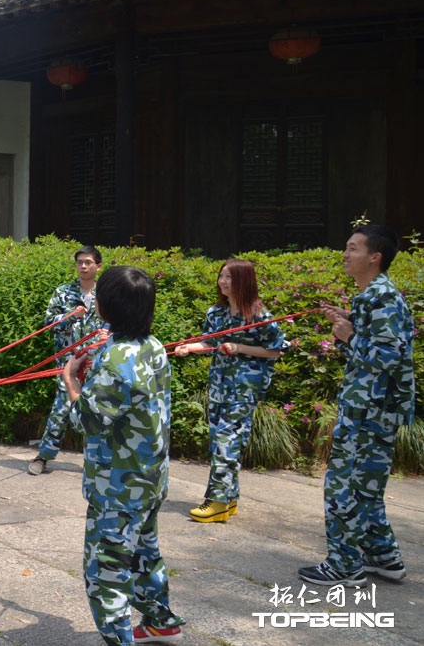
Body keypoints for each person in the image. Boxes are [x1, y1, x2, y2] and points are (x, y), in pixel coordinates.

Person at [62, 265, 185, 645]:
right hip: (149, 478)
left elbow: (87, 420)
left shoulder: (115, 360)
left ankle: (119, 638)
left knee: (106, 571)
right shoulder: (154, 347)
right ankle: (160, 620)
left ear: (105, 307)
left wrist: (70, 380)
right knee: (145, 553)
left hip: (118, 486)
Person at [298, 224, 415, 587]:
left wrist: (349, 335)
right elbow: (374, 351)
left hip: (369, 411)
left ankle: (344, 566)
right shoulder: (374, 296)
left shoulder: (380, 297)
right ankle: (384, 557)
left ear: (374, 257)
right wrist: (349, 328)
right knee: (366, 488)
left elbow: (390, 356)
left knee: (342, 487)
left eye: (352, 248)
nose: (345, 254)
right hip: (374, 409)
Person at [174, 259, 285, 523]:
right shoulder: (216, 313)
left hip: (244, 389)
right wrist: (188, 348)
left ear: (244, 281)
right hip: (219, 386)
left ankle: (217, 501)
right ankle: (230, 498)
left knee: (227, 441)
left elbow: (275, 350)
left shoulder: (259, 316)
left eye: (230, 278)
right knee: (220, 442)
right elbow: (210, 342)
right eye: (222, 276)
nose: (224, 282)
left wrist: (239, 348)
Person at [29, 246, 106, 476]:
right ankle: (44, 456)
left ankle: (95, 461)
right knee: (61, 408)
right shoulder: (63, 292)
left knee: (96, 409)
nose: (83, 266)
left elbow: (115, 321)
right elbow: (48, 322)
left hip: (97, 362)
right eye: (80, 262)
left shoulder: (105, 293)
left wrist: (107, 336)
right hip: (68, 362)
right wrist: (68, 316)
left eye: (88, 262)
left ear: (98, 266)